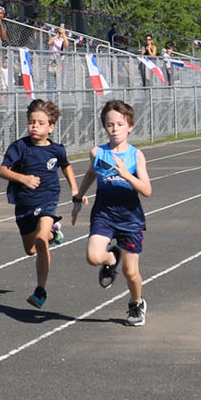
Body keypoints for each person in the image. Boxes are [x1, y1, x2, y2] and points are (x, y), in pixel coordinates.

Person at [70, 100, 152, 326]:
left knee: (130, 272)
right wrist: (78, 198)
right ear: (104, 127)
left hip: (130, 219)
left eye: (119, 124)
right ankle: (111, 257)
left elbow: (147, 190)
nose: (114, 129)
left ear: (130, 126)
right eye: (110, 125)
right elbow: (90, 174)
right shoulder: (97, 152)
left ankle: (136, 303)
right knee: (93, 257)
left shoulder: (136, 156)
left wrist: (127, 175)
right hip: (104, 215)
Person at [0, 98, 80, 310]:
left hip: (48, 199)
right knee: (31, 250)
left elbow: (66, 167)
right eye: (32, 122)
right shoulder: (19, 147)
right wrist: (23, 178)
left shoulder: (57, 150)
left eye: (40, 123)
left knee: (41, 240)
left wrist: (74, 188)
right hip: (24, 203)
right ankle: (55, 233)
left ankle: (40, 290)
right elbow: (3, 170)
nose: (35, 126)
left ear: (51, 127)